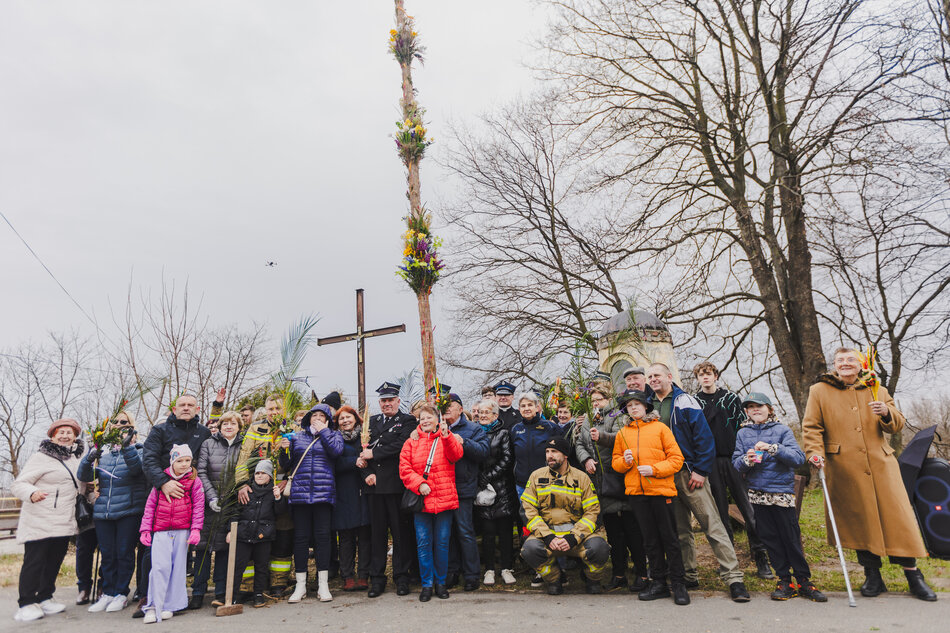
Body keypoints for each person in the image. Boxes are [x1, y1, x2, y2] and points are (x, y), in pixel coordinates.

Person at [802, 347, 937, 601]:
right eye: (840, 360)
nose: (845, 363)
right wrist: (814, 453)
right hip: (844, 467)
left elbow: (897, 422)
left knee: (899, 520)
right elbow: (811, 427)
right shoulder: (819, 391)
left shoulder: (877, 387)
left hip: (881, 465)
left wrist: (885, 413)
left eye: (850, 359)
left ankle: (914, 576)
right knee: (859, 521)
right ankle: (873, 576)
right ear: (834, 365)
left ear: (860, 363)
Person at [647, 363, 750, 602]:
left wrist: (701, 470)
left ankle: (734, 578)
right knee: (680, 529)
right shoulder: (647, 405)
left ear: (669, 377)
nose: (653, 379)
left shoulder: (685, 402)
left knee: (712, 525)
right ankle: (689, 574)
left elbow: (704, 437)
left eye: (657, 375)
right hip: (664, 477)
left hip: (689, 472)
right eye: (649, 376)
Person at [733, 393, 826, 602]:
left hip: (781, 494)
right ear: (746, 412)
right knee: (771, 539)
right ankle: (785, 581)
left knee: (790, 538)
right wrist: (746, 460)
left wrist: (772, 448)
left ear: (770, 409)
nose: (755, 410)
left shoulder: (782, 430)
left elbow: (798, 458)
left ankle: (804, 581)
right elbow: (736, 463)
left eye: (760, 406)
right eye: (751, 407)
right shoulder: (742, 433)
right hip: (757, 495)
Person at [693, 361, 772, 579]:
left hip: (734, 458)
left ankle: (760, 556)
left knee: (749, 510)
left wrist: (747, 458)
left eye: (709, 374)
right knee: (720, 514)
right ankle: (728, 561)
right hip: (710, 462)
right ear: (698, 378)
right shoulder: (695, 401)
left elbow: (741, 427)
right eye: (701, 374)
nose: (705, 377)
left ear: (716, 376)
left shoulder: (730, 398)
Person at [138, 393, 212, 618]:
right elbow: (148, 459)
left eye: (191, 405)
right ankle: (147, 597)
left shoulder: (204, 432)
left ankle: (182, 599)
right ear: (175, 407)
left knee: (184, 556)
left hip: (191, 497)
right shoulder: (160, 431)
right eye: (182, 405)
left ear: (197, 408)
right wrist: (163, 483)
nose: (186, 408)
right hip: (162, 495)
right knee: (153, 556)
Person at [612, 390, 688, 604]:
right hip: (637, 494)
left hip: (661, 492)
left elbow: (676, 459)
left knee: (670, 539)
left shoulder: (660, 428)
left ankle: (679, 584)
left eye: (637, 404)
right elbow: (616, 463)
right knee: (650, 541)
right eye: (629, 405)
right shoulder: (622, 432)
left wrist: (654, 469)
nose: (633, 407)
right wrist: (626, 462)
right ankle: (659, 583)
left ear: (646, 406)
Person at [11, 419, 85, 622]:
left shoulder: (76, 459)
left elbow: (81, 486)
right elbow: (19, 484)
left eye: (69, 432)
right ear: (52, 436)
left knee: (54, 561)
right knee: (35, 562)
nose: (65, 435)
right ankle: (26, 602)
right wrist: (32, 492)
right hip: (40, 519)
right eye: (60, 432)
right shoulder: (40, 457)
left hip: (64, 520)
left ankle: (45, 597)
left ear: (75, 436)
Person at [77, 412, 147, 614]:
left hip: (129, 510)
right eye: (115, 422)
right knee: (108, 554)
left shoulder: (139, 450)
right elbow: (83, 476)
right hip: (103, 512)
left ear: (132, 427)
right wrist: (89, 458)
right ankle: (107, 592)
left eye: (123, 422)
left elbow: (137, 470)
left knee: (124, 553)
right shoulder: (103, 452)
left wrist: (127, 447)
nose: (118, 425)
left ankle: (120, 593)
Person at [520, 437, 610, 595]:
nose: (549, 456)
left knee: (599, 548)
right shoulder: (536, 476)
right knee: (529, 549)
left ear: (566, 455)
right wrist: (548, 537)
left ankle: (592, 578)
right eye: (547, 452)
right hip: (548, 537)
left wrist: (572, 538)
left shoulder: (581, 478)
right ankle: (555, 578)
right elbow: (528, 510)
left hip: (577, 538)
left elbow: (592, 511)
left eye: (554, 452)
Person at [581, 386, 648, 592]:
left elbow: (622, 437)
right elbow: (579, 442)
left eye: (599, 399)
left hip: (619, 476)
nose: (596, 403)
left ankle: (642, 573)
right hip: (600, 482)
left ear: (608, 399)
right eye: (592, 400)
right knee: (613, 533)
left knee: (632, 531)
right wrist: (586, 458)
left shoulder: (617, 414)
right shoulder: (587, 419)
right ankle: (618, 573)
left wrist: (599, 436)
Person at [399, 404, 465, 602]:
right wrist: (419, 484)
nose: (425, 421)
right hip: (422, 501)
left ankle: (441, 582)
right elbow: (404, 468)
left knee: (442, 543)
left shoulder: (446, 438)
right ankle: (426, 583)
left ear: (438, 419)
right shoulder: (411, 442)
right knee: (423, 543)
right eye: (422, 418)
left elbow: (456, 455)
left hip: (444, 499)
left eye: (429, 417)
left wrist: (446, 436)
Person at [279, 403, 344, 603]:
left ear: (327, 420)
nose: (317, 418)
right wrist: (284, 451)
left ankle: (323, 584)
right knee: (300, 538)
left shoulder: (334, 436)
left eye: (321, 416)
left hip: (323, 494)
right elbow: (286, 465)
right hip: (300, 494)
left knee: (323, 538)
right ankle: (300, 585)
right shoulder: (297, 437)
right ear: (308, 418)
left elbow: (336, 453)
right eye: (314, 415)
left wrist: (324, 432)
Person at [359, 382, 418, 597]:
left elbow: (401, 446)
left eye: (390, 400)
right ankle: (377, 579)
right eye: (383, 401)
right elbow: (361, 451)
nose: (387, 404)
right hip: (374, 488)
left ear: (398, 401)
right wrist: (366, 474)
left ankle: (401, 577)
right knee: (378, 536)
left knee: (401, 535)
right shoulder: (371, 422)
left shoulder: (407, 421)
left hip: (395, 486)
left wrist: (374, 455)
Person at [234, 394, 294, 597]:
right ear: (265, 410)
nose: (274, 413)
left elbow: (302, 457)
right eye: (270, 409)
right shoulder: (255, 428)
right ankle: (248, 584)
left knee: (283, 534)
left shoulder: (293, 427)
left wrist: (290, 479)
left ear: (283, 410)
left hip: (282, 489)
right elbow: (243, 457)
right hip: (257, 490)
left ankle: (278, 582)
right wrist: (242, 483)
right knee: (252, 534)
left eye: (277, 409)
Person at [139, 444, 205, 623]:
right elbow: (150, 506)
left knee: (178, 568)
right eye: (180, 461)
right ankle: (153, 605)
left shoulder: (194, 481)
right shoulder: (162, 480)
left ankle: (171, 605)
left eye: (188, 460)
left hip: (182, 531)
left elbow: (199, 506)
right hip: (161, 530)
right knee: (159, 567)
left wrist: (196, 529)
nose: (184, 464)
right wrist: (145, 529)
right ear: (172, 462)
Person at [194, 411, 244, 608]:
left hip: (232, 505)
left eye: (233, 424)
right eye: (225, 424)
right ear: (220, 427)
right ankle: (198, 591)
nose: (229, 427)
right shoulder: (208, 444)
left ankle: (222, 592)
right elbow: (202, 472)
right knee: (203, 549)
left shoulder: (244, 446)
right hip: (209, 505)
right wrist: (211, 496)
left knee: (224, 548)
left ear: (239, 427)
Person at [441, 393, 489, 592]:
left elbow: (483, 452)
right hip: (442, 487)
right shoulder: (438, 427)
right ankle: (452, 572)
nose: (447, 410)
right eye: (444, 407)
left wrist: (464, 442)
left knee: (465, 531)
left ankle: (471, 575)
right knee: (448, 533)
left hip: (463, 487)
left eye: (450, 405)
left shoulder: (473, 428)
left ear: (461, 408)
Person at [228, 460, 287, 608]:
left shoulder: (273, 492)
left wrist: (278, 498)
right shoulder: (246, 491)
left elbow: (279, 512)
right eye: (257, 473)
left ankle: (258, 594)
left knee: (261, 566)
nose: (260, 476)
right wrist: (231, 531)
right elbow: (236, 512)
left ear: (270, 476)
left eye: (264, 473)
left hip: (263, 536)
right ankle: (233, 595)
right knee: (239, 566)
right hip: (244, 534)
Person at [474, 399, 517, 586]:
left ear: (495, 415)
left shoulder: (503, 433)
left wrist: (489, 476)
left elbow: (507, 458)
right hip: (482, 490)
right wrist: (479, 478)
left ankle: (506, 568)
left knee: (505, 531)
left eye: (487, 412)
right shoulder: (474, 433)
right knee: (488, 532)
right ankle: (489, 570)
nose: (482, 415)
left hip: (502, 489)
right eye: (481, 412)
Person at [333, 406, 373, 591]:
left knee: (365, 536)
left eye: (348, 417)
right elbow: (332, 462)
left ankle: (364, 574)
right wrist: (353, 462)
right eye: (341, 419)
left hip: (363, 491)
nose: (345, 421)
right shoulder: (335, 439)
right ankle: (347, 576)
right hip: (344, 492)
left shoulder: (366, 437)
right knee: (346, 537)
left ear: (356, 419)